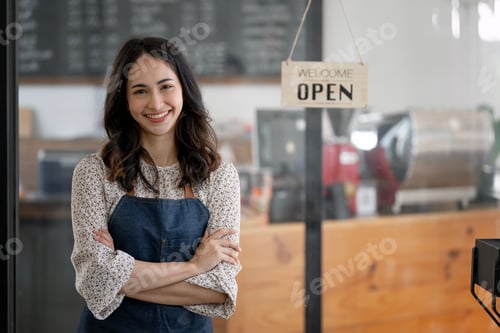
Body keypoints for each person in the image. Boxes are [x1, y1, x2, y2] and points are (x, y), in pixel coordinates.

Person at [70, 36, 242, 333]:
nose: (156, 103)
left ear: (184, 90)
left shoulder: (220, 176)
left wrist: (120, 276)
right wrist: (193, 267)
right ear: (124, 100)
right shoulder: (94, 173)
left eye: (166, 87)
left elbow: (219, 290)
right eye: (140, 91)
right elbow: (93, 280)